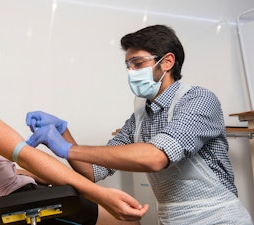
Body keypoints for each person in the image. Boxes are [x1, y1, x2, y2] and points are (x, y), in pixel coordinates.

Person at [0, 10, 148, 225]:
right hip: (3, 206)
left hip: (3, 195)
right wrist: (103, 194)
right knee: (126, 221)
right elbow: (22, 154)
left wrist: (22, 173)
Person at [26, 24, 253, 225]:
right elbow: (93, 171)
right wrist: (63, 132)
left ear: (167, 62)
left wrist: (68, 149)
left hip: (218, 218)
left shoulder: (199, 100)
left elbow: (156, 157)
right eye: (128, 66)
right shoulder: (140, 118)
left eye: (138, 63)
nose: (131, 72)